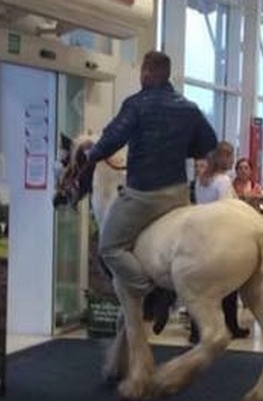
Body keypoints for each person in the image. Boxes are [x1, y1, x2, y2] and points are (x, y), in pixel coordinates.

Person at [77, 50, 217, 335]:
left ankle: (148, 290)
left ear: (148, 73)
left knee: (109, 246)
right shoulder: (188, 107)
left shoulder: (137, 104)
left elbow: (112, 138)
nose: (141, 76)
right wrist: (182, 150)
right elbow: (209, 142)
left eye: (143, 71)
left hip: (144, 195)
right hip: (178, 194)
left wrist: (92, 153)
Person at [190, 142, 249, 341]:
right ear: (223, 158)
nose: (233, 161)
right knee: (228, 286)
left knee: (201, 287)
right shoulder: (223, 181)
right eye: (231, 156)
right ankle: (231, 326)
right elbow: (227, 209)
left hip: (200, 236)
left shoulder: (200, 180)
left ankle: (196, 330)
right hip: (220, 236)